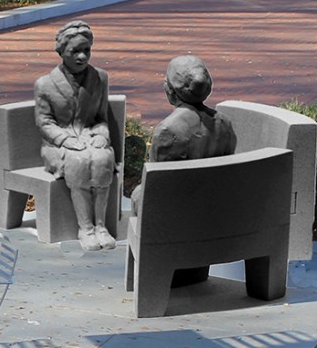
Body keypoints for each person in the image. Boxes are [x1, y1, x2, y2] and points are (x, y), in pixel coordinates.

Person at [137, 55, 237, 286]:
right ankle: (196, 271)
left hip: (176, 219)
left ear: (169, 90)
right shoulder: (225, 125)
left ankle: (160, 272)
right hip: (213, 212)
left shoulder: (168, 131)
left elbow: (159, 192)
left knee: (140, 195)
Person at [32, 19, 121, 252]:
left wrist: (102, 135)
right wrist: (66, 140)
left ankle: (101, 226)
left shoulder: (100, 78)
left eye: (87, 50)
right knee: (79, 162)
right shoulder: (45, 84)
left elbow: (101, 117)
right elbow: (44, 122)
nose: (82, 57)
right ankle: (86, 228)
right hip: (57, 144)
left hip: (91, 137)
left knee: (103, 160)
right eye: (75, 51)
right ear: (62, 52)